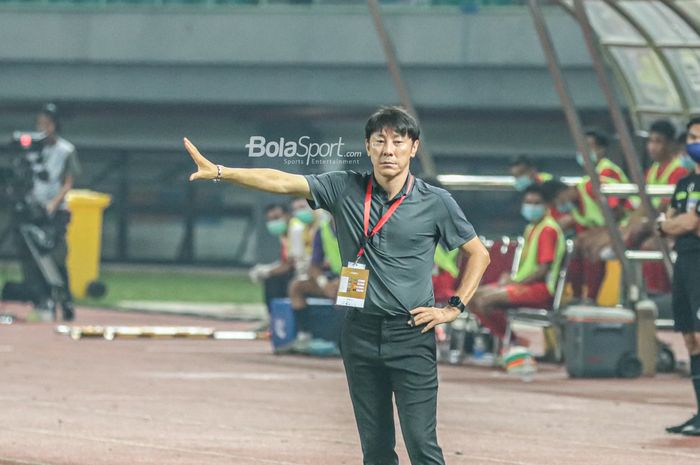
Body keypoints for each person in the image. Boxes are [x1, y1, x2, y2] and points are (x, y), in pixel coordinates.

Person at [184, 106, 491, 465]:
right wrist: (222, 172)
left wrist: (453, 308)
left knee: (422, 444)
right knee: (374, 448)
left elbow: (478, 254)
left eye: (397, 142)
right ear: (368, 146)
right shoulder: (343, 187)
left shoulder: (435, 202)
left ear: (414, 148)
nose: (388, 150)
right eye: (380, 141)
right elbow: (283, 181)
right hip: (359, 332)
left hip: (411, 332)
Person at [470, 183, 565, 346]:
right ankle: (508, 339)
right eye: (528, 202)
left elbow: (543, 270)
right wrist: (510, 277)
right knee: (470, 297)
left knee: (485, 301)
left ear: (547, 206)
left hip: (540, 289)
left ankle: (514, 342)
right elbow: (527, 266)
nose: (531, 207)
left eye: (536, 203)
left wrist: (515, 283)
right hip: (523, 284)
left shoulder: (548, 230)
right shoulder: (532, 228)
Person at [18, 103, 80, 321]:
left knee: (56, 257)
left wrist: (54, 203)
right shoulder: (34, 150)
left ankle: (65, 300)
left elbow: (68, 182)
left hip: (56, 211)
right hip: (33, 208)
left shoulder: (65, 150)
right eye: (40, 124)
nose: (43, 128)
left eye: (47, 124)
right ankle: (43, 301)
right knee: (32, 259)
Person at [658, 116, 700, 436]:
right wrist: (678, 223)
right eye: (691, 137)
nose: (694, 143)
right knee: (689, 337)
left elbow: (689, 224)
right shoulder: (685, 183)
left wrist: (679, 223)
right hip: (684, 261)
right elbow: (669, 224)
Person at [556, 129, 630, 303]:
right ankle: (575, 296)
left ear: (601, 150)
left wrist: (605, 232)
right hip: (603, 226)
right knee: (575, 245)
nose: (583, 151)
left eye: (588, 147)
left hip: (623, 224)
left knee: (590, 245)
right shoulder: (587, 178)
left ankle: (591, 298)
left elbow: (617, 211)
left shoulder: (606, 174)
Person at [249, 203, 294, 316]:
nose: (274, 223)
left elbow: (290, 264)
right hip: (294, 269)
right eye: (270, 220)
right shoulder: (284, 236)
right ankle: (273, 316)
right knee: (272, 278)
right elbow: (285, 260)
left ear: (287, 215)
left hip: (300, 270)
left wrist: (267, 271)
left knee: (273, 279)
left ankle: (276, 317)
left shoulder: (296, 231)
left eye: (277, 218)